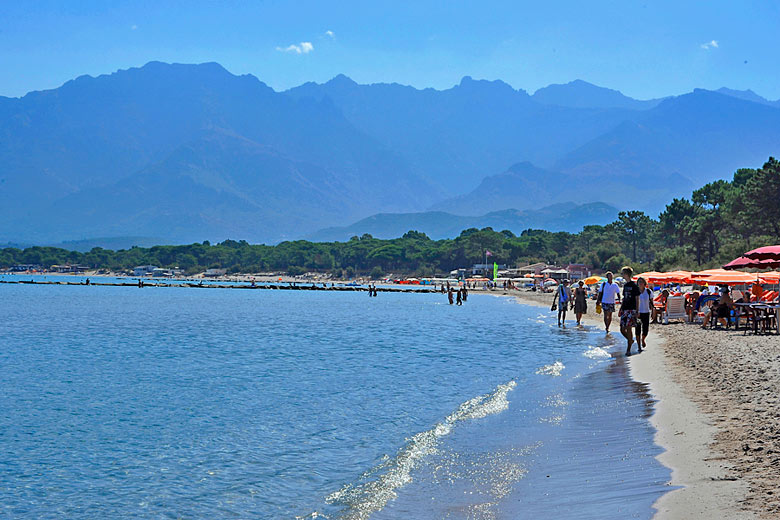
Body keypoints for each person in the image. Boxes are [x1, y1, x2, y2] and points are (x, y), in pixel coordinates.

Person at [618, 266, 641, 355]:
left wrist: (637, 311)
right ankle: (630, 340)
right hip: (625, 309)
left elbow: (637, 298)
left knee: (628, 328)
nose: (622, 275)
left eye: (623, 273)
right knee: (622, 329)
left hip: (632, 309)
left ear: (627, 274)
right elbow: (624, 298)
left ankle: (628, 350)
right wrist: (621, 309)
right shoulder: (626, 285)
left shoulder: (634, 285)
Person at [635, 277, 653, 350]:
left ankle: (643, 339)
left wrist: (653, 312)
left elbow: (652, 303)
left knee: (645, 330)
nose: (640, 283)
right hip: (638, 314)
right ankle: (639, 346)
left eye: (642, 282)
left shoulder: (648, 291)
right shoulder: (635, 292)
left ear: (644, 283)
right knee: (637, 330)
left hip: (646, 312)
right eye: (639, 282)